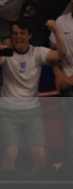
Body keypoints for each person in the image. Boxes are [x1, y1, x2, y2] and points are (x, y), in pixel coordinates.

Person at [0, 18, 67, 173]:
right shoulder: (6, 51)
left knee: (40, 156)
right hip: (7, 112)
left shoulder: (37, 52)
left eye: (22, 33)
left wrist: (55, 31)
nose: (19, 37)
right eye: (15, 33)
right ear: (11, 36)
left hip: (32, 113)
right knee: (10, 154)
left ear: (29, 35)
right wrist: (0, 50)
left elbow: (62, 54)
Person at [51, 2, 73, 160]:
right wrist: (58, 73)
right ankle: (68, 168)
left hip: (69, 81)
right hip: (66, 83)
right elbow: (53, 51)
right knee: (69, 129)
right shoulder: (60, 21)